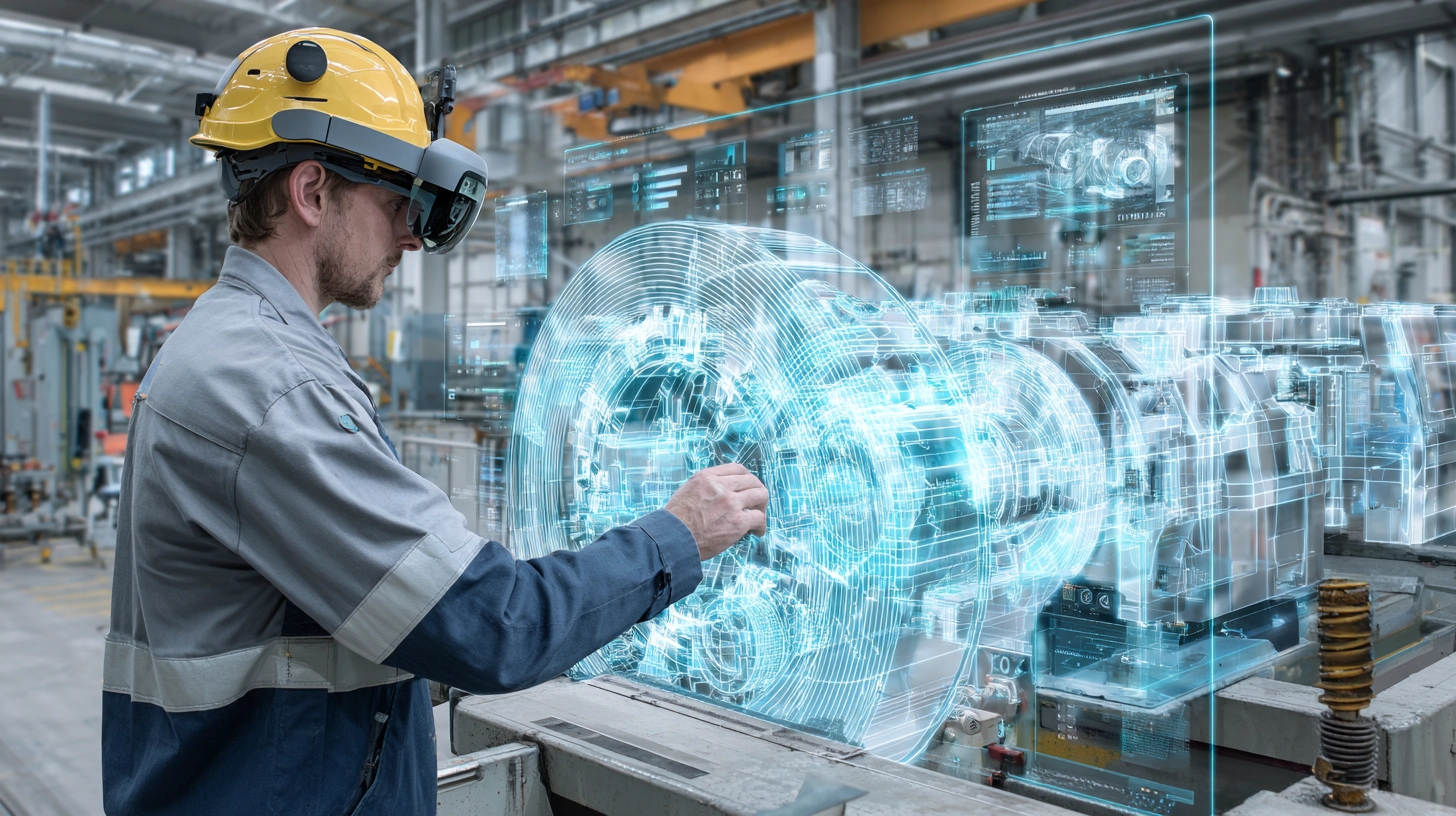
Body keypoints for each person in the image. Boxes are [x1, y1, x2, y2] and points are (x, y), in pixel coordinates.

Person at [102, 28, 768, 815]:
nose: (412, 236)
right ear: (312, 193)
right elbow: (493, 626)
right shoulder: (267, 385)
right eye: (396, 204)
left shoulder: (242, 349)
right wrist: (674, 538)